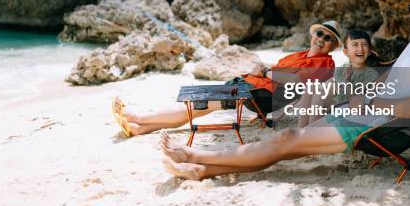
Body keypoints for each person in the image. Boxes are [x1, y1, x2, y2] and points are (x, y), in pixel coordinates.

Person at [161, 0, 410, 180]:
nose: (409, 13)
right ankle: (200, 168)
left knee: (287, 140)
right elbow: (392, 77)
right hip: (365, 112)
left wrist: (369, 101)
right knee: (287, 143)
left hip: (384, 128)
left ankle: (195, 158)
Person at [112, 20, 343, 137]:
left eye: (329, 38)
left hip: (262, 96)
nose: (322, 39)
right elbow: (278, 72)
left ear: (333, 46)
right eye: (320, 33)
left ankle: (137, 117)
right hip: (251, 86)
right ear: (314, 35)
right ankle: (139, 128)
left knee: (201, 103)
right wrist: (262, 70)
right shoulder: (298, 55)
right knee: (201, 103)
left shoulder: (326, 64)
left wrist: (264, 73)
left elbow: (295, 85)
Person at [297, 29, 379, 128]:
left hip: (348, 106)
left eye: (364, 45)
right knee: (311, 88)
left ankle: (310, 132)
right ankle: (300, 129)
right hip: (335, 101)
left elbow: (357, 100)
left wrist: (348, 80)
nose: (360, 49)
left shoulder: (371, 74)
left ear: (369, 51)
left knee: (320, 96)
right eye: (355, 45)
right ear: (346, 52)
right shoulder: (342, 69)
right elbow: (332, 85)